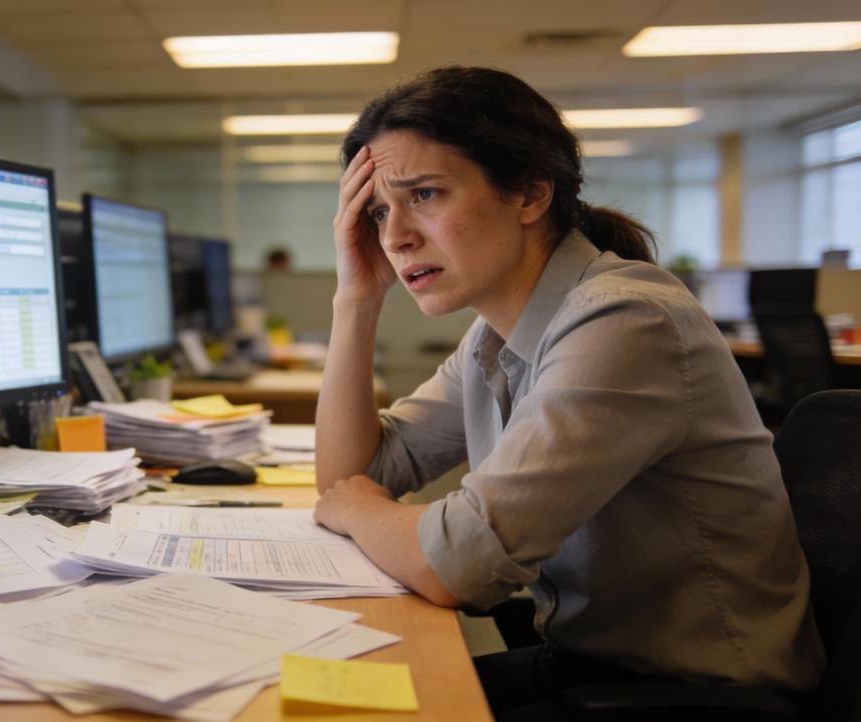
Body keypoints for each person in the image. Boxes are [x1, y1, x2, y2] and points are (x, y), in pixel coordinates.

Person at [312, 66, 823, 720]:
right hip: (591, 666)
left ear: (529, 194)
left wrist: (360, 509)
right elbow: (351, 472)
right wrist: (355, 300)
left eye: (425, 194)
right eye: (379, 210)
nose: (394, 236)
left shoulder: (627, 320)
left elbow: (455, 563)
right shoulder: (495, 334)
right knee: (328, 702)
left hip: (706, 697)